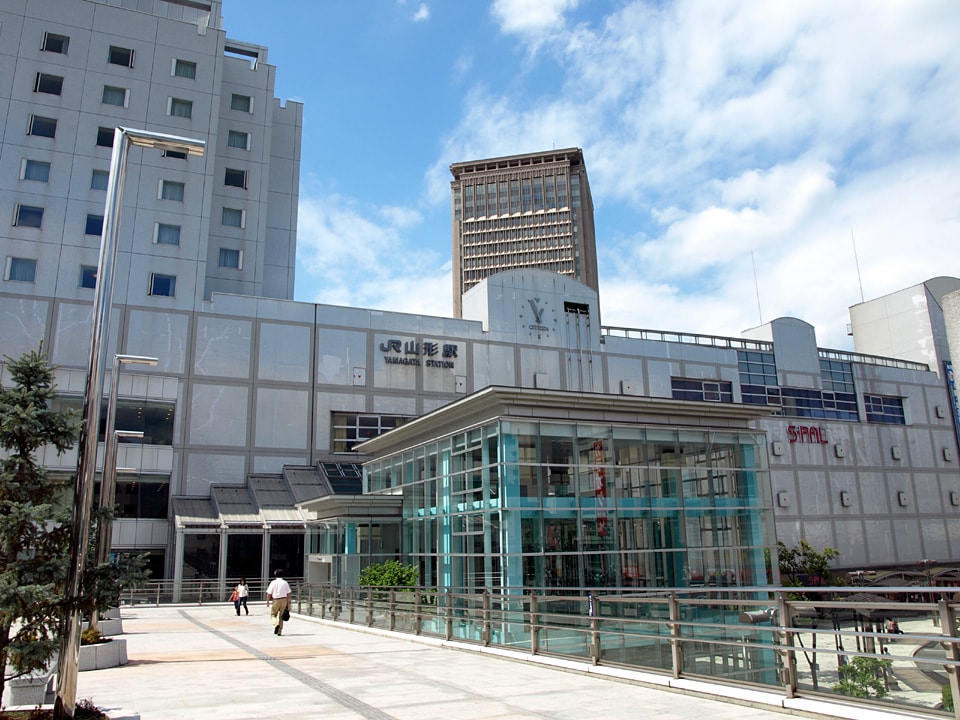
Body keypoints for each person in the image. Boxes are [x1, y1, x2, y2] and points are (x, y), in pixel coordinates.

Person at [265, 569, 291, 636]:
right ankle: (279, 632)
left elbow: (269, 593)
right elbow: (288, 594)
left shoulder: (273, 582)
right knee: (281, 617)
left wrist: (267, 601)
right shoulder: (285, 583)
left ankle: (276, 624)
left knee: (273, 615)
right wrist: (288, 604)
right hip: (284, 600)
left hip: (276, 600)